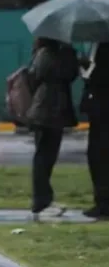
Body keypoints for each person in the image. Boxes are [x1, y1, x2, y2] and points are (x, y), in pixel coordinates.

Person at [26, 37, 79, 220]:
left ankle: (42, 199)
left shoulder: (40, 54)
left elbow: (34, 77)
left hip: (41, 109)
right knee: (45, 156)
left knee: (43, 156)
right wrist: (71, 53)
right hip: (52, 110)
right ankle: (41, 201)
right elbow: (70, 74)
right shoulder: (58, 54)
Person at [80, 43, 109, 219]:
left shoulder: (104, 48)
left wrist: (85, 70)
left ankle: (103, 202)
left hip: (102, 110)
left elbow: (98, 77)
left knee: (99, 156)